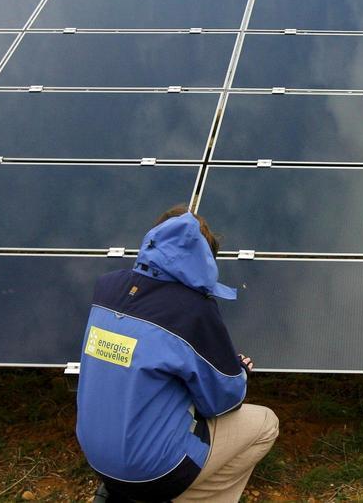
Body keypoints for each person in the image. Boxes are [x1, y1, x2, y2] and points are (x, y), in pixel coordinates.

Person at [76, 205, 278, 503]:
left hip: (96, 457)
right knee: (265, 424)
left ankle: (122, 491)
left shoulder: (107, 287)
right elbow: (221, 402)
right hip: (154, 471)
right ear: (204, 258)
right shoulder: (193, 310)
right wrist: (240, 373)